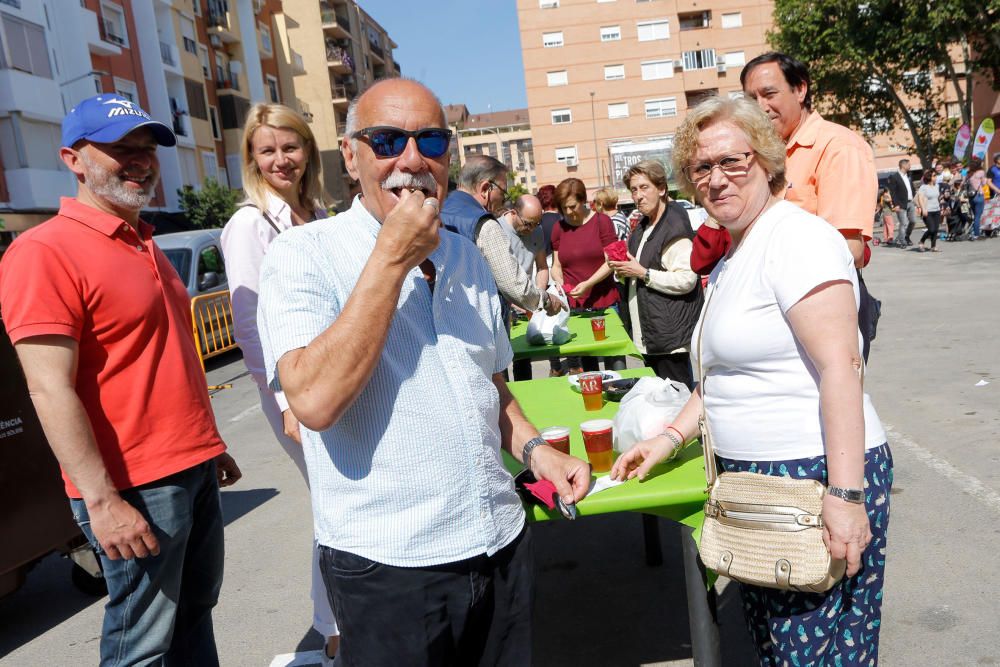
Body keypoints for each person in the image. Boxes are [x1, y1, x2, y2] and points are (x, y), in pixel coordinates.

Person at [255, 78, 591, 665]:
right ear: (351, 155)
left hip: (497, 540)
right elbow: (312, 402)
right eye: (386, 140)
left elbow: (485, 381)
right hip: (391, 566)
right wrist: (391, 256)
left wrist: (538, 452)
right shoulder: (303, 254)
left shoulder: (464, 254)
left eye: (430, 140)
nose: (411, 159)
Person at [612, 95, 892, 665]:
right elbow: (719, 380)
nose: (717, 179)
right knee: (776, 650)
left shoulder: (798, 238)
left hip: (811, 478)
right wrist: (667, 438)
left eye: (732, 161)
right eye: (702, 168)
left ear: (765, 160)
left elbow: (842, 366)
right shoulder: (740, 252)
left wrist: (843, 496)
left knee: (812, 655)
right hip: (759, 484)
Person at [0, 94, 241, 666]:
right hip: (133, 484)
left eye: (146, 148)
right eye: (118, 149)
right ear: (73, 159)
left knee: (192, 615)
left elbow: (162, 360)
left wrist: (210, 447)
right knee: (141, 643)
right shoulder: (44, 252)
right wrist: (103, 501)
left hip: (190, 467)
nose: (139, 160)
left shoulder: (143, 241)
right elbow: (48, 388)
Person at [219, 103, 340, 664]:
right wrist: (287, 399)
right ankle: (335, 631)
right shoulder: (249, 224)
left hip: (337, 374)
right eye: (266, 150)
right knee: (338, 504)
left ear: (307, 150)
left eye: (289, 147)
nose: (280, 160)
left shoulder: (318, 213)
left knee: (346, 500)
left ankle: (338, 628)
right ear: (251, 158)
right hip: (293, 390)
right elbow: (251, 326)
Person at [607, 160, 702, 388]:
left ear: (661, 189)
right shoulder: (643, 225)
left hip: (669, 336)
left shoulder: (673, 226)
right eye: (634, 189)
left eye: (644, 187)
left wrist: (642, 273)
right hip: (651, 335)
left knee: (676, 400)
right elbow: (638, 268)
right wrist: (622, 271)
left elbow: (687, 279)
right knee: (661, 403)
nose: (638, 195)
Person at [441, 156, 563, 322]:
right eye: (503, 192)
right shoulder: (484, 224)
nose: (503, 200)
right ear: (485, 188)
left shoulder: (439, 211)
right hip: (478, 324)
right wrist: (546, 301)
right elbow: (514, 285)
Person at [550, 177, 620, 374]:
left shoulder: (602, 221)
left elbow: (612, 261)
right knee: (589, 368)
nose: (569, 212)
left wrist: (589, 283)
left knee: (615, 362)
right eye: (564, 208)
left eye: (572, 206)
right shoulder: (558, 228)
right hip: (577, 307)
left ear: (583, 201)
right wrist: (559, 281)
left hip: (605, 304)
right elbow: (556, 265)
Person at [497, 194, 551, 381]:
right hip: (500, 307)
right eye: (528, 223)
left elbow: (542, 267)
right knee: (500, 364)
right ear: (513, 213)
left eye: (537, 223)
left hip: (527, 306)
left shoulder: (537, 231)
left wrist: (538, 295)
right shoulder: (496, 229)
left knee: (523, 361)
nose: (532, 229)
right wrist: (513, 301)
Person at [887, 158, 916, 247]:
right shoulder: (894, 177)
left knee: (913, 221)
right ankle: (902, 241)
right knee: (903, 223)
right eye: (909, 164)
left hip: (910, 202)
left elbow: (911, 188)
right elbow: (893, 192)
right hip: (901, 204)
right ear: (903, 165)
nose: (910, 166)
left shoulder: (908, 175)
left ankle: (906, 237)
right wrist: (896, 204)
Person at [916, 170, 943, 253]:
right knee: (931, 229)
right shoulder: (923, 187)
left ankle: (933, 246)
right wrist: (923, 209)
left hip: (937, 210)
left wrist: (941, 207)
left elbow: (937, 198)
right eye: (934, 175)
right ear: (929, 177)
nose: (935, 177)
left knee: (936, 229)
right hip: (928, 211)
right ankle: (921, 241)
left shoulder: (937, 186)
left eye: (936, 175)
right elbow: (920, 198)